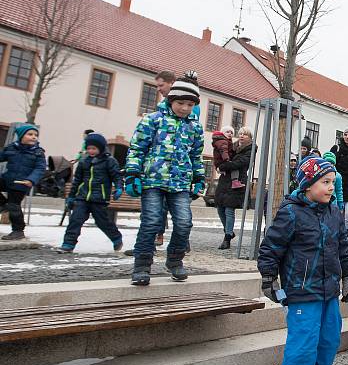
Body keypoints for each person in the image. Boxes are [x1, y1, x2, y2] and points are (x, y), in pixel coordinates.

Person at [258, 155, 348, 365]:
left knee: (329, 339)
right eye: (325, 182)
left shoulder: (334, 212)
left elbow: (344, 246)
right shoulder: (291, 212)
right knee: (303, 344)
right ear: (307, 184)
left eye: (333, 182)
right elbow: (271, 247)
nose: (331, 187)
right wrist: (268, 277)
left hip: (328, 290)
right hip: (301, 291)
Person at [125, 72, 205, 285]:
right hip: (153, 181)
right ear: (171, 100)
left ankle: (175, 260)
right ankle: (142, 265)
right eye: (181, 103)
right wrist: (132, 174)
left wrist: (198, 178)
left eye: (190, 104)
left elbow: (196, 156)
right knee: (151, 222)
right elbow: (136, 149)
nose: (185, 108)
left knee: (184, 223)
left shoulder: (194, 127)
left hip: (180, 184)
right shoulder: (152, 120)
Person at [57, 133, 123, 252]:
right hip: (83, 197)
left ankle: (116, 237)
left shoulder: (109, 161)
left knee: (103, 222)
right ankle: (68, 244)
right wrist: (72, 196)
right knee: (75, 220)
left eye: (94, 148)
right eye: (88, 148)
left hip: (99, 198)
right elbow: (77, 180)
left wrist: (119, 187)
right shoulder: (84, 162)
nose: (91, 151)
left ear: (101, 148)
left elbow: (116, 176)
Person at [0, 124, 46, 240]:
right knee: (9, 205)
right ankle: (3, 205)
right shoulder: (11, 148)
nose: (34, 137)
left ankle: (18, 231)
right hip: (8, 179)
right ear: (21, 136)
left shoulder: (38, 153)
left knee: (14, 205)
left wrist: (31, 180)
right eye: (30, 134)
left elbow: (40, 168)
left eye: (36, 135)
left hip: (22, 183)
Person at [215, 127, 256, 250]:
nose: (242, 136)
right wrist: (221, 165)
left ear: (250, 137)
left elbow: (241, 162)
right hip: (225, 180)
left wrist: (223, 166)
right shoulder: (231, 145)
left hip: (238, 181)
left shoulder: (252, 148)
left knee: (229, 209)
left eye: (245, 134)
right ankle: (229, 231)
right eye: (241, 134)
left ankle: (227, 238)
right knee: (220, 209)